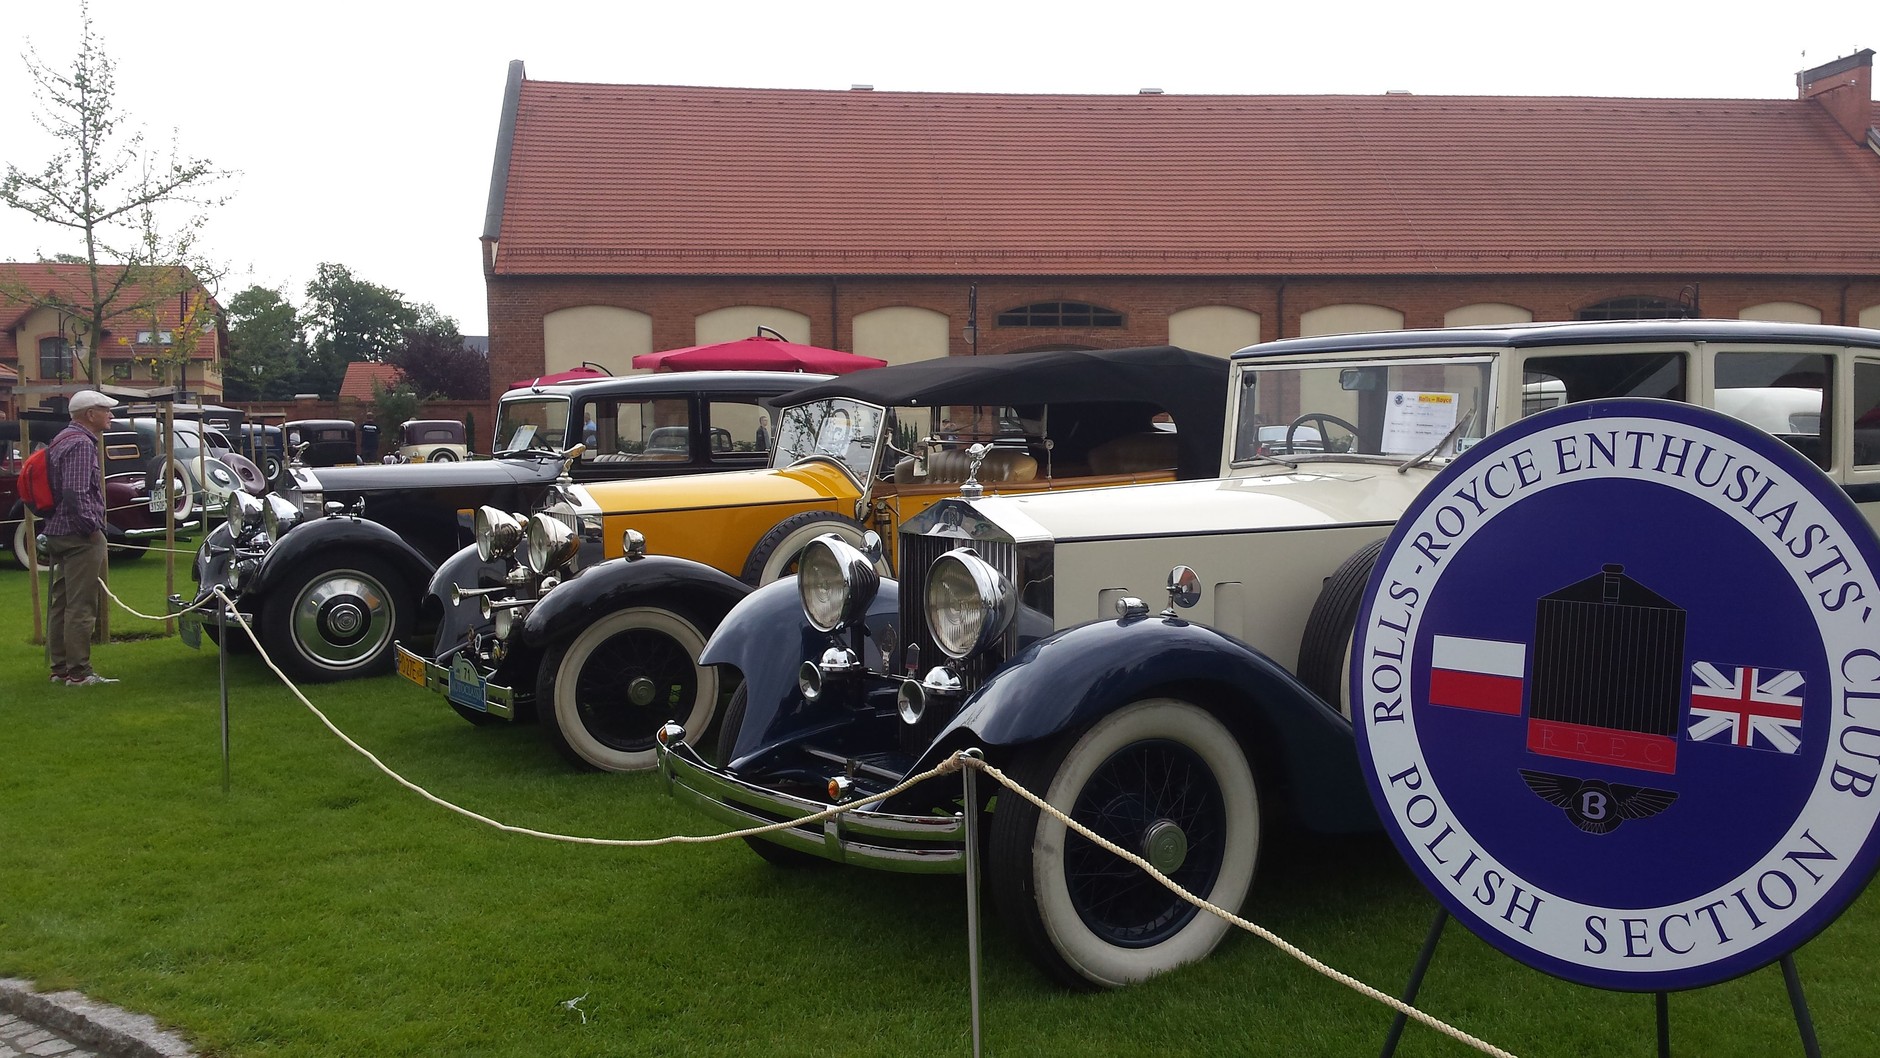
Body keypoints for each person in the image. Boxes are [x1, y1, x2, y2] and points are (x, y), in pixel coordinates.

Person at [43, 390, 119, 686]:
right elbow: (75, 492)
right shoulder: (81, 444)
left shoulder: (61, 438)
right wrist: (92, 526)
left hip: (57, 530)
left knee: (61, 602)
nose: (110, 415)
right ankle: (79, 673)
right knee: (81, 604)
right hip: (78, 535)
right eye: (105, 410)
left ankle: (60, 668)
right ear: (90, 415)